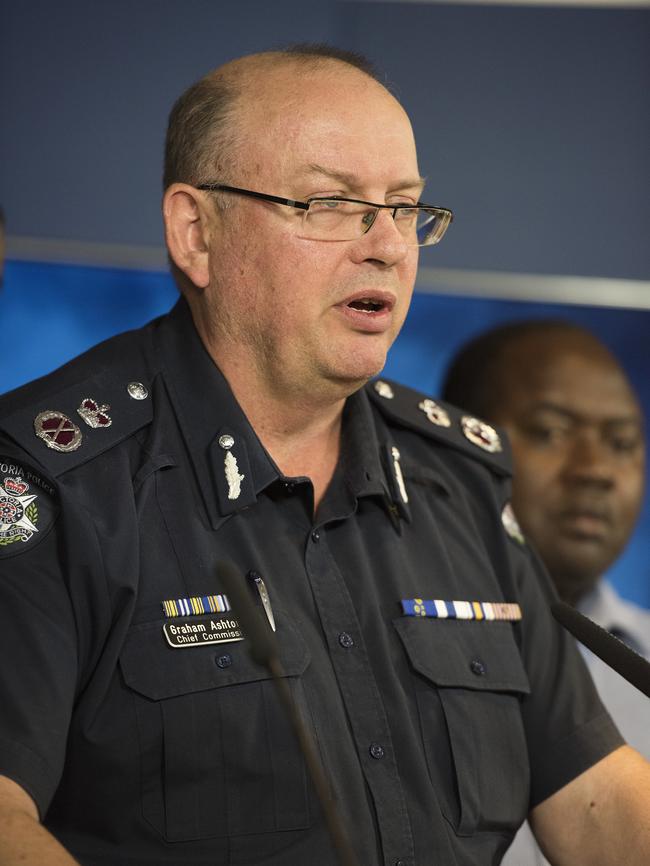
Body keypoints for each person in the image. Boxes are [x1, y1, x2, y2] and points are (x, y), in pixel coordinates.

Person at [0, 46, 648, 866]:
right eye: (332, 203)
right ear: (196, 232)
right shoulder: (52, 483)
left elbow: (595, 799)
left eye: (404, 208)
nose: (387, 246)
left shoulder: (462, 483)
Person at [442, 319, 650, 865]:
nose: (597, 470)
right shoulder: (379, 642)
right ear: (454, 444)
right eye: (551, 432)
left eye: (623, 442)